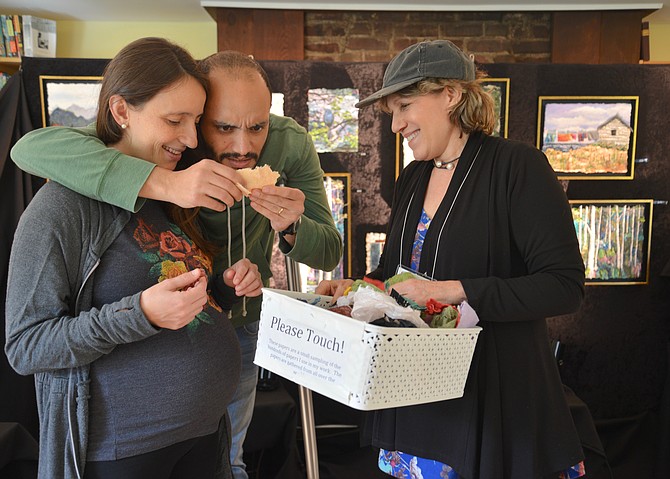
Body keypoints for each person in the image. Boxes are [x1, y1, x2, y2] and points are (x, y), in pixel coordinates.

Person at [11, 51, 343, 479]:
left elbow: (327, 249)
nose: (242, 146)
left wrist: (287, 231)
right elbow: (33, 148)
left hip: (229, 345)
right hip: (128, 439)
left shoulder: (284, 143)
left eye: (257, 126)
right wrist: (169, 184)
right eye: (221, 127)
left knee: (232, 459)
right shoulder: (158, 161)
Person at [316, 40, 587, 479]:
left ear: (451, 94)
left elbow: (564, 286)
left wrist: (455, 290)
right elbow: (396, 279)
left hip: (493, 404)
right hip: (415, 400)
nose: (396, 125)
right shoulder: (413, 177)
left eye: (405, 105)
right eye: (391, 112)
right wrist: (354, 289)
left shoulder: (518, 167)